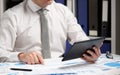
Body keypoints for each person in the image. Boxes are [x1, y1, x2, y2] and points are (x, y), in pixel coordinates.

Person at [0, 0, 101, 64]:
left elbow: (81, 40)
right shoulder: (12, 16)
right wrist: (21, 56)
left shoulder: (64, 11)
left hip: (59, 68)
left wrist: (91, 51)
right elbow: (1, 52)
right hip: (28, 69)